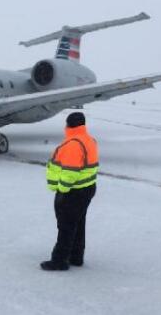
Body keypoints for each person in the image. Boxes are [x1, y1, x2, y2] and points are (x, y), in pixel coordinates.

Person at [41, 112, 99, 271]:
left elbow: (70, 172)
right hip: (87, 188)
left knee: (66, 226)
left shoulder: (73, 144)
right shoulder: (89, 140)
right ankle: (76, 256)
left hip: (73, 191)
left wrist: (61, 189)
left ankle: (59, 260)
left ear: (68, 125)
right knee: (78, 223)